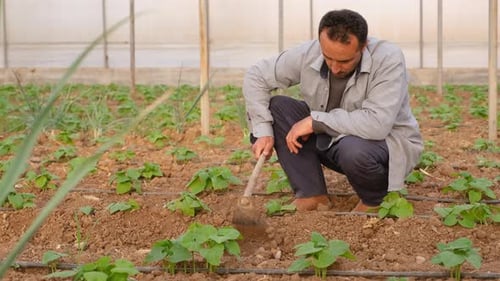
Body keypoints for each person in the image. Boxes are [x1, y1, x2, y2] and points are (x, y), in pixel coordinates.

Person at [242, 9, 423, 212]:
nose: (335, 68)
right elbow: (256, 76)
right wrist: (263, 131)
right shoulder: (309, 52)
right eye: (328, 58)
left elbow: (377, 124)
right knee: (278, 109)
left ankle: (375, 200)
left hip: (379, 147)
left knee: (353, 149)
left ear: (363, 47)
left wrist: (314, 122)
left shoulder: (388, 59)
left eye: (345, 61)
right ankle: (312, 195)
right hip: (330, 140)